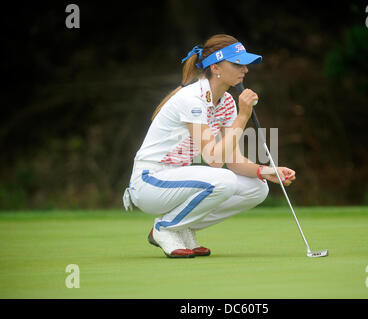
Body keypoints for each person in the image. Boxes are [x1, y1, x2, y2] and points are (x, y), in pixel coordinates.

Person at [123, 34, 296, 258]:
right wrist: (243, 116)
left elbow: (232, 160)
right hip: (150, 181)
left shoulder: (226, 102)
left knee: (257, 188)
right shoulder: (193, 99)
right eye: (237, 63)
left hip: (179, 180)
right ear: (215, 67)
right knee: (222, 180)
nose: (245, 70)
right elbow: (214, 159)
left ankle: (183, 227)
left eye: (245, 65)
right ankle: (165, 228)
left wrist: (266, 171)